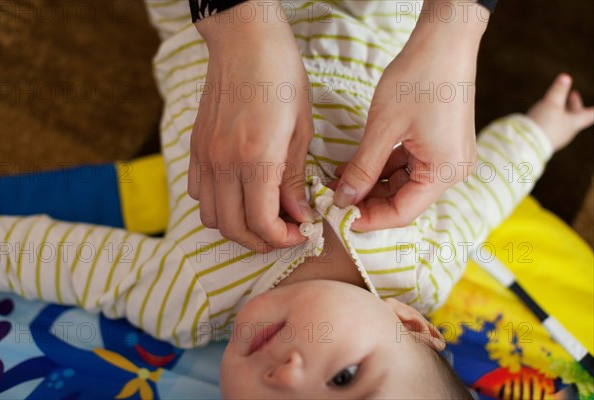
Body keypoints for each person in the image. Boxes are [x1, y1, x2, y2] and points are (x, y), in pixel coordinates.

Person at [0, 0, 593, 396]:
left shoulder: (186, 300)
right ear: (410, 324)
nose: (285, 377)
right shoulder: (420, 273)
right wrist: (541, 131)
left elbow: (54, 257)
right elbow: (484, 191)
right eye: (345, 378)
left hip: (199, 23)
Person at [188, 0, 494, 252]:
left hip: (191, 39)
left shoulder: (205, 302)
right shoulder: (424, 271)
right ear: (414, 325)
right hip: (388, 22)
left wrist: (454, 27)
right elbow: (494, 192)